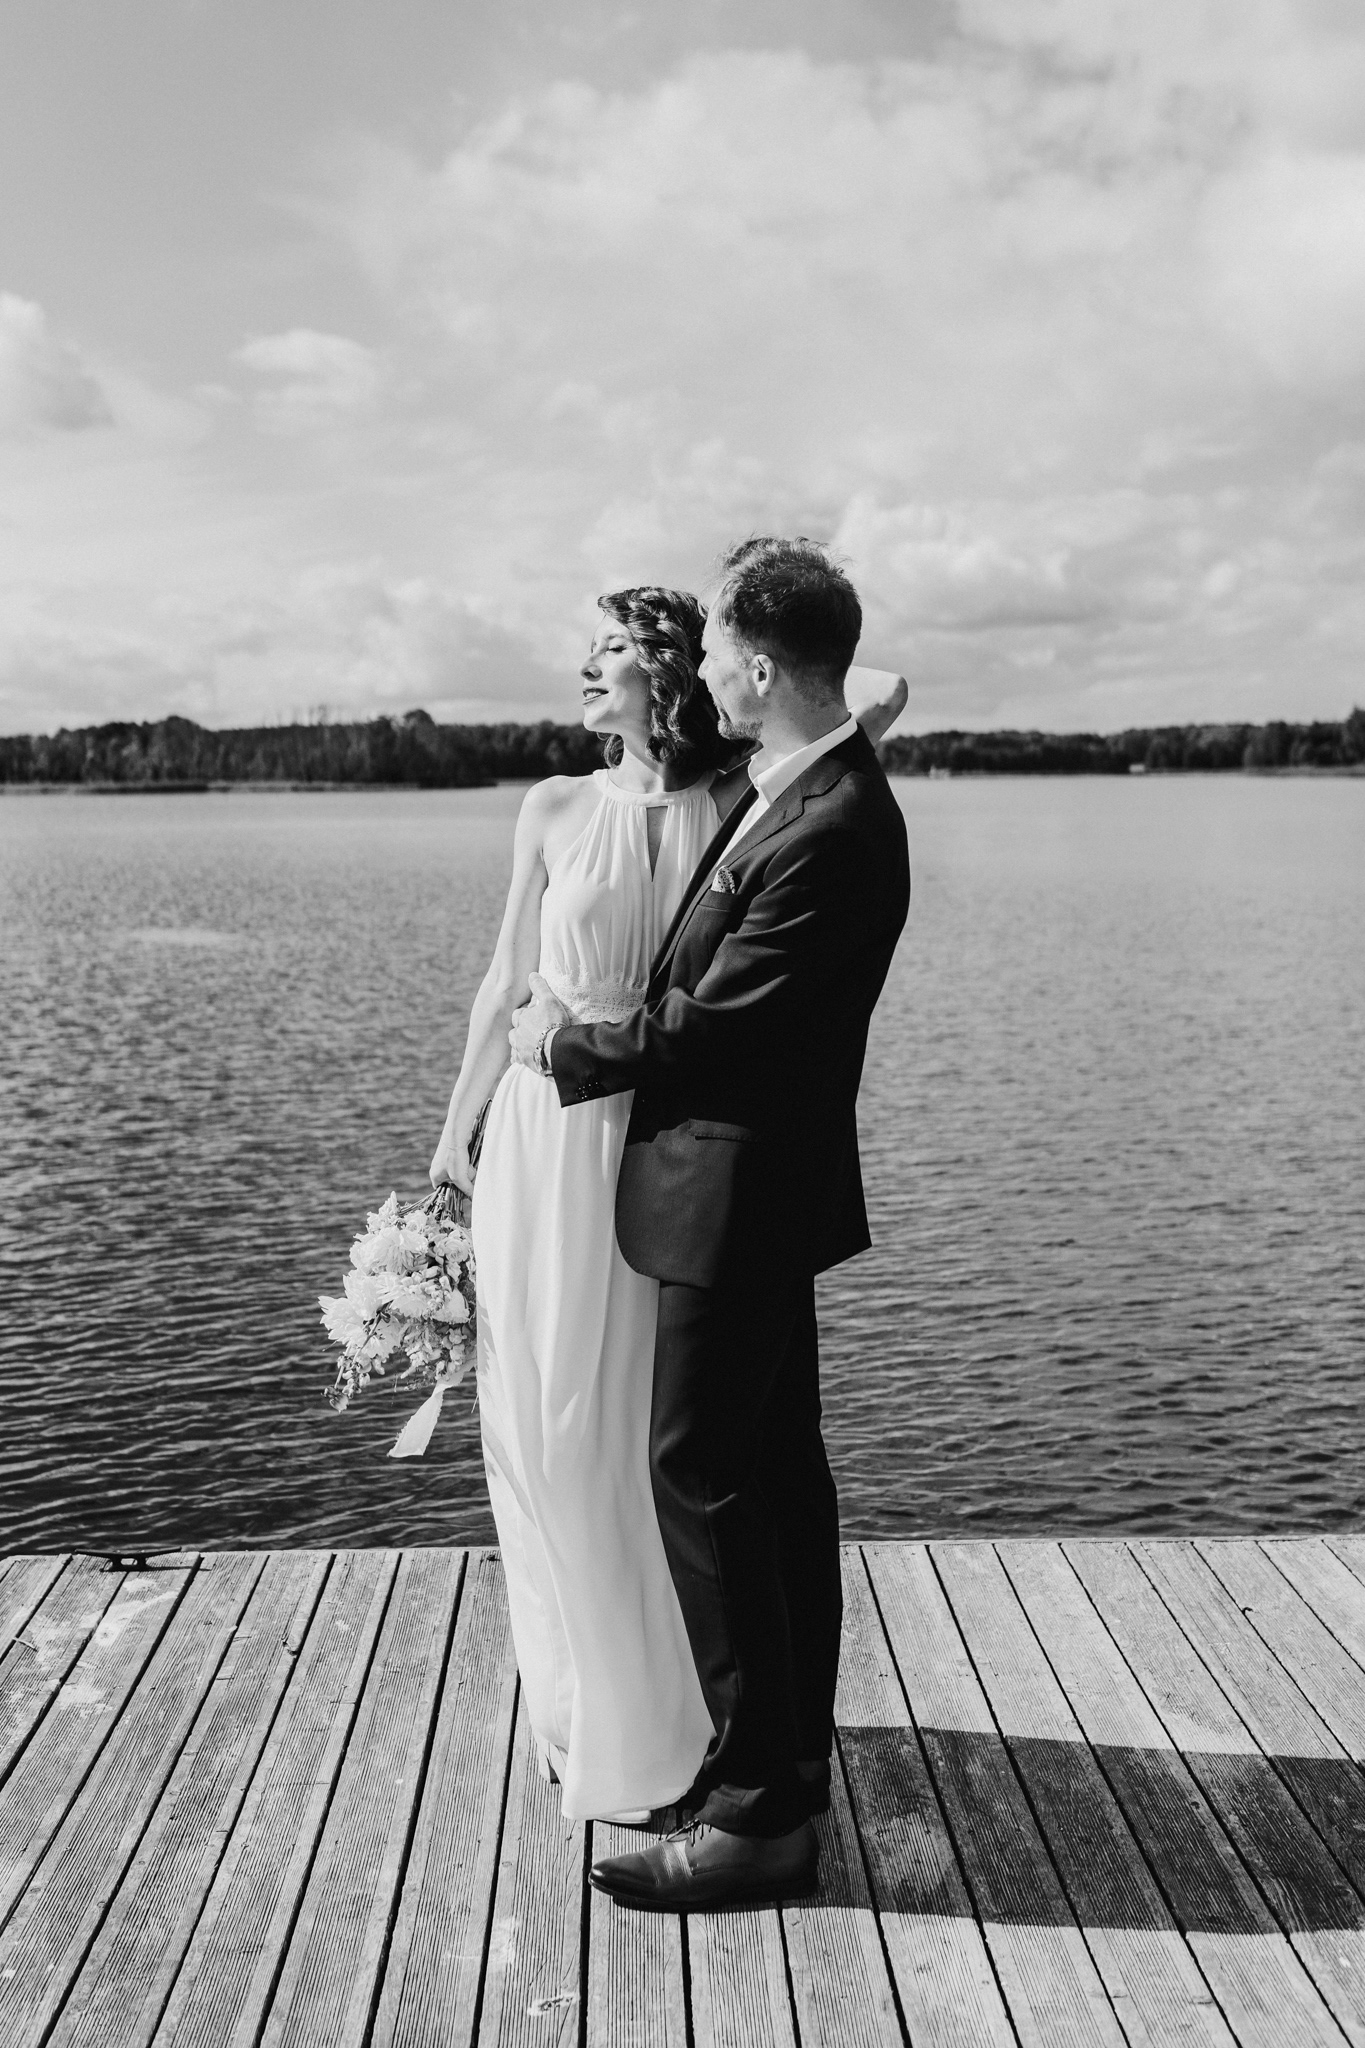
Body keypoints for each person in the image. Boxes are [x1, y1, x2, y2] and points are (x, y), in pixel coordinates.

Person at [431, 578, 905, 1826]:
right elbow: (503, 981)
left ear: (675, 668)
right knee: (553, 1421)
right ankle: (592, 1692)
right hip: (550, 1142)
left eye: (610, 651)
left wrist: (816, 687)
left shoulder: (745, 801)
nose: (587, 672)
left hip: (660, 1146)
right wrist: (455, 1127)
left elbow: (848, 720)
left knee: (666, 1438)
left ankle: (702, 1724)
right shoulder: (557, 803)